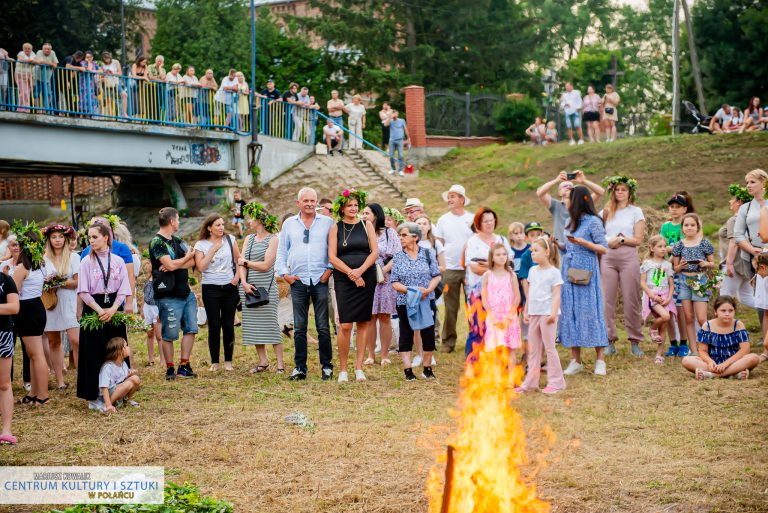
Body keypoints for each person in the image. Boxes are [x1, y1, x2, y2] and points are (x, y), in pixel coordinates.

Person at [276, 188, 335, 381]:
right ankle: (300, 368)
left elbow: (333, 249)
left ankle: (327, 366)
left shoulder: (327, 222)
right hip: (298, 280)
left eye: (313, 200)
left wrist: (329, 270)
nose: (309, 204)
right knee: (299, 327)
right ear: (298, 203)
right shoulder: (289, 224)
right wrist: (285, 274)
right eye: (306, 200)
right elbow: (282, 251)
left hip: (320, 279)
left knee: (322, 326)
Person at [76, 223, 132, 408]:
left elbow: (124, 288)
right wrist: (100, 310)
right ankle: (94, 396)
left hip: (114, 308)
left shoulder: (117, 261)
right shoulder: (85, 262)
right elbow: (83, 291)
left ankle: (121, 393)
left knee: (117, 349)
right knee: (93, 351)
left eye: (94, 237)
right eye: (89, 238)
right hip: (94, 308)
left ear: (106, 237)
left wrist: (114, 309)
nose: (91, 241)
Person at [328, 189, 378, 382]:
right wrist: (350, 272)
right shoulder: (336, 228)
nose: (353, 208)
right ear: (342, 207)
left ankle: (358, 367)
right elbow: (332, 257)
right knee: (346, 324)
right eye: (350, 205)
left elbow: (374, 252)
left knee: (364, 322)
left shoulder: (367, 225)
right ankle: (342, 369)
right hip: (343, 278)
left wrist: (360, 271)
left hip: (366, 276)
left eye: (356, 205)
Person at [560, 186, 609, 376]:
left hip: (586, 271)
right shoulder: (569, 222)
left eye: (568, 198)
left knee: (590, 311)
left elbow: (603, 248)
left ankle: (600, 360)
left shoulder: (593, 222)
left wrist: (584, 243)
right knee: (571, 312)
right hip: (569, 270)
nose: (565, 201)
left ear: (578, 200)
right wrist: (559, 244)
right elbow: (568, 248)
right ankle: (575, 360)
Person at [148, 207, 198, 381]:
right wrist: (179, 261)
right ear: (171, 221)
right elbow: (170, 266)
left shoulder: (178, 241)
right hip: (168, 295)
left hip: (186, 293)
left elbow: (192, 261)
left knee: (191, 329)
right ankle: (170, 368)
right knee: (169, 334)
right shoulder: (157, 242)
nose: (179, 223)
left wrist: (176, 263)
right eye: (178, 220)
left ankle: (184, 366)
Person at [600, 175, 646, 356]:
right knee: (607, 300)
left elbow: (638, 239)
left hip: (628, 256)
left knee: (631, 298)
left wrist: (621, 239)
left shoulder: (636, 211)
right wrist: (608, 241)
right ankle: (609, 340)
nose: (620, 193)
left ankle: (635, 340)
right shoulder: (605, 211)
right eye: (617, 189)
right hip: (608, 257)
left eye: (623, 190)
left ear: (629, 192)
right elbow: (597, 232)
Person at [390, 222, 441, 381]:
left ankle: (427, 368)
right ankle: (408, 370)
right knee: (406, 334)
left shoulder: (427, 253)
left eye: (404, 235)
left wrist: (428, 290)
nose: (400, 238)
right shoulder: (398, 257)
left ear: (415, 237)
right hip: (406, 301)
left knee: (428, 334)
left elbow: (436, 275)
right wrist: (411, 290)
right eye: (399, 235)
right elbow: (394, 282)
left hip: (426, 300)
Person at [238, 203, 284, 373]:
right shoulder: (249, 239)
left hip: (266, 287)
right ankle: (263, 361)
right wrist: (243, 282)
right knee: (254, 325)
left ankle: (280, 364)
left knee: (271, 324)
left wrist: (246, 263)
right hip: (248, 287)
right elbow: (240, 262)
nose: (249, 220)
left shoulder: (273, 239)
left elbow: (266, 265)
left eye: (251, 217)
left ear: (260, 220)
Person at [7, 226, 49, 405]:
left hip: (27, 310)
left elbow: (12, 292)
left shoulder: (22, 268)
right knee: (32, 354)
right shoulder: (38, 266)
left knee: (37, 355)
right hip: (36, 307)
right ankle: (34, 391)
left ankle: (43, 395)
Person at [194, 214, 240, 372]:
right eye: (217, 225)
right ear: (209, 228)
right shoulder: (201, 244)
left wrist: (236, 279)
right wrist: (212, 250)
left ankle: (228, 361)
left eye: (222, 224)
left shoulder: (230, 240)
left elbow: (238, 261)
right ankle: (215, 362)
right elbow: (200, 267)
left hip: (229, 287)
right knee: (214, 325)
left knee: (228, 324)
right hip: (210, 288)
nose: (221, 227)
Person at [518, 236, 565, 394]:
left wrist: (553, 314)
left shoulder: (554, 273)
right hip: (534, 314)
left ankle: (556, 382)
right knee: (533, 349)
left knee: (550, 349)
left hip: (547, 315)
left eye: (536, 251)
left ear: (546, 252)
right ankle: (530, 383)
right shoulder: (532, 271)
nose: (532, 254)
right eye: (532, 251)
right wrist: (526, 311)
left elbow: (557, 295)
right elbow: (531, 293)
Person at [464, 207, 511, 358]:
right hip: (478, 292)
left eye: (492, 220)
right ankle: (473, 361)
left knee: (498, 327)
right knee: (478, 326)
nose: (490, 224)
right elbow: (475, 268)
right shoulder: (473, 242)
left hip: (500, 293)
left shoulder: (501, 240)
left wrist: (488, 265)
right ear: (479, 223)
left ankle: (496, 362)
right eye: (486, 221)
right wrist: (496, 266)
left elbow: (509, 265)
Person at [434, 184, 474, 353]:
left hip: (471, 268)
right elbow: (438, 244)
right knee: (451, 307)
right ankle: (448, 342)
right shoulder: (443, 220)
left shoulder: (472, 219)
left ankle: (475, 339)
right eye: (448, 196)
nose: (449, 199)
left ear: (462, 199)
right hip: (450, 268)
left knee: (472, 305)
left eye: (453, 196)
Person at [681, 296, 760, 379]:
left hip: (734, 362)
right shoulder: (707, 326)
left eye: (730, 311)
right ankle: (734, 373)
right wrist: (710, 362)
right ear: (715, 312)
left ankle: (713, 375)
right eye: (723, 310)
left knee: (754, 358)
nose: (727, 314)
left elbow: (745, 350)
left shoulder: (738, 325)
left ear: (734, 311)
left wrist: (726, 364)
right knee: (686, 360)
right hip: (713, 363)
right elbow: (702, 350)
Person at [671, 213, 715, 356]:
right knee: (688, 317)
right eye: (686, 225)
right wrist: (681, 266)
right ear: (682, 228)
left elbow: (713, 264)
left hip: (699, 280)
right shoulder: (678, 245)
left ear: (697, 227)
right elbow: (675, 268)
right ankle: (694, 350)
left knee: (702, 318)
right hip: (684, 281)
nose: (689, 228)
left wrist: (705, 263)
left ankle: (707, 348)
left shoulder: (704, 242)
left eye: (692, 225)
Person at [42, 224, 79, 389]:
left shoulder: (73, 257)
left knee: (76, 340)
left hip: (70, 301)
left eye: (60, 237)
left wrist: (60, 282)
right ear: (49, 240)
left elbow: (78, 282)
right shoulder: (43, 260)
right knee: (54, 342)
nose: (57, 240)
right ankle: (60, 381)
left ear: (65, 238)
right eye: (54, 237)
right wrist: (47, 284)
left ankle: (81, 377)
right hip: (51, 303)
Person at [363, 203, 400, 366]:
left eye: (367, 213)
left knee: (385, 316)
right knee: (369, 317)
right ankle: (371, 354)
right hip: (366, 277)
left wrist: (382, 271)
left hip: (385, 279)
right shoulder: (361, 232)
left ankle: (385, 354)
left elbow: (397, 256)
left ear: (376, 215)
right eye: (362, 213)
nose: (363, 216)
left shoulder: (389, 233)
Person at [480, 242, 521, 384]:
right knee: (496, 350)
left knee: (510, 349)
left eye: (504, 254)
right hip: (494, 317)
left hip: (509, 317)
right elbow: (484, 298)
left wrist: (508, 317)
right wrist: (492, 316)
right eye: (498, 254)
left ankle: (510, 380)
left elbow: (517, 297)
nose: (502, 257)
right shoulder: (487, 275)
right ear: (492, 258)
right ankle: (497, 380)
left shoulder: (511, 275)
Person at [536, 171, 604, 251]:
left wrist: (584, 181)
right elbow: (540, 193)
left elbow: (600, 192)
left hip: (580, 248)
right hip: (560, 248)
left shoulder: (582, 204)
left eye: (571, 186)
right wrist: (556, 180)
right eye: (565, 186)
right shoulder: (556, 205)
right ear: (559, 192)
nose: (568, 187)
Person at [734, 169, 768, 330]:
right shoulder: (745, 208)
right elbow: (738, 234)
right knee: (760, 297)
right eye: (747, 182)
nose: (748, 185)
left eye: (752, 182)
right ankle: (765, 333)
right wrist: (753, 250)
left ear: (764, 183)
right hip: (753, 258)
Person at [80, 218, 135, 306]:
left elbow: (130, 277)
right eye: (90, 237)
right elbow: (82, 285)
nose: (92, 240)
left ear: (108, 231)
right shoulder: (86, 254)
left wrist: (129, 302)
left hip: (115, 299)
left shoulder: (121, 249)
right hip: (92, 302)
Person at [640, 235, 676, 365]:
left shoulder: (668, 265)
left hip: (666, 297)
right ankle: (652, 328)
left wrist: (669, 297)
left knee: (664, 326)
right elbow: (643, 282)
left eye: (664, 246)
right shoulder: (647, 264)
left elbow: (671, 284)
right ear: (651, 248)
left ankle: (659, 354)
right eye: (659, 246)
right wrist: (651, 295)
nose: (663, 249)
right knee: (665, 316)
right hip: (653, 297)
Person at [722, 185, 753, 319]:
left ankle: (724, 330)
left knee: (725, 296)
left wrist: (728, 264)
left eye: (732, 199)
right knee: (746, 297)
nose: (730, 202)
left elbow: (734, 242)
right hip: (747, 263)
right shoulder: (750, 220)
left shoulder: (734, 220)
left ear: (739, 202)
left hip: (734, 264)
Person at [0, 264, 19, 444]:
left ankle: (6, 430)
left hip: (3, 334)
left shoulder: (5, 280)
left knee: (4, 383)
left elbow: (14, 307)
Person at [96, 337, 140, 413]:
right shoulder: (108, 367)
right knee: (128, 384)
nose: (128, 348)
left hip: (118, 389)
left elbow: (123, 378)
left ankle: (125, 401)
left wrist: (130, 374)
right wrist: (108, 403)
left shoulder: (123, 363)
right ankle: (107, 406)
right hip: (107, 395)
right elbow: (104, 387)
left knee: (135, 378)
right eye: (126, 346)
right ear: (119, 352)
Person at [141, 267, 163, 367]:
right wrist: (142, 309)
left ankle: (163, 360)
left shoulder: (161, 278)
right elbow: (143, 294)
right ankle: (151, 360)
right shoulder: (147, 278)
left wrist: (161, 310)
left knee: (159, 336)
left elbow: (164, 295)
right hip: (147, 307)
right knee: (149, 334)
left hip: (156, 307)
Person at [99, 51, 125, 118]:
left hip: (116, 82)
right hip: (107, 84)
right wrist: (104, 73)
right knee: (108, 99)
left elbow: (120, 73)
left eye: (108, 58)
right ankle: (110, 115)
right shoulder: (102, 64)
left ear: (110, 57)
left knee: (123, 95)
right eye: (105, 58)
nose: (106, 60)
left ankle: (123, 114)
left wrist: (112, 72)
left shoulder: (115, 62)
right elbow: (101, 76)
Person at [34, 43, 58, 113]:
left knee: (49, 94)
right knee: (36, 94)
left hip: (47, 79)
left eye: (49, 49)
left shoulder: (53, 53)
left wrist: (48, 63)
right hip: (37, 77)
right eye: (45, 49)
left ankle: (44, 110)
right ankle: (38, 110)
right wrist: (51, 63)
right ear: (42, 49)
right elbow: (40, 62)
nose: (47, 50)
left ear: (51, 50)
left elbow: (55, 65)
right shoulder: (39, 52)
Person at [14, 43, 36, 113]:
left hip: (29, 76)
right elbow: (20, 59)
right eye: (25, 48)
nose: (27, 50)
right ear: (23, 49)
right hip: (20, 75)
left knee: (27, 93)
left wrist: (31, 61)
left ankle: (25, 108)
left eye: (29, 48)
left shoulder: (33, 54)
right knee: (24, 92)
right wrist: (31, 61)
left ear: (31, 49)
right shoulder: (21, 53)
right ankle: (21, 108)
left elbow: (37, 61)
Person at [388, 110, 410, 176]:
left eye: (396, 114)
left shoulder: (402, 120)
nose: (395, 115)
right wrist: (390, 117)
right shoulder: (390, 121)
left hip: (400, 140)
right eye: (394, 114)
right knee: (391, 156)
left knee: (401, 155)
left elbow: (405, 129)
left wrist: (408, 138)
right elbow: (385, 124)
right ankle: (393, 169)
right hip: (392, 140)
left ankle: (400, 170)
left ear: (398, 114)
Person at [79, 50, 100, 117]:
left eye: (90, 57)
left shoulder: (95, 63)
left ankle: (89, 114)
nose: (89, 58)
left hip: (91, 84)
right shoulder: (82, 63)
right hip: (83, 84)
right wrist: (88, 63)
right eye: (87, 57)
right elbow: (88, 69)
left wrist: (93, 71)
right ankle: (82, 114)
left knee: (91, 98)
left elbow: (101, 70)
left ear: (92, 57)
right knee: (83, 98)